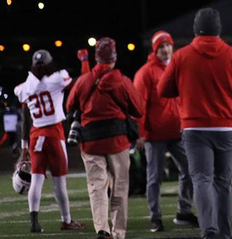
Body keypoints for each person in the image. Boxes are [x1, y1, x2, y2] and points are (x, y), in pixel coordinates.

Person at [159, 8, 232, 239]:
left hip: (194, 127)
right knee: (223, 182)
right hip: (226, 126)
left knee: (202, 179)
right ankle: (223, 233)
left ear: (196, 29)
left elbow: (163, 89)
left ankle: (209, 231)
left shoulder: (181, 56)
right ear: (218, 28)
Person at [66, 38, 142, 239]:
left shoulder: (84, 80)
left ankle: (102, 229)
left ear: (96, 57)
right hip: (117, 141)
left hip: (90, 142)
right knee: (119, 188)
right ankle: (118, 233)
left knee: (97, 187)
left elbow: (69, 105)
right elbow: (139, 109)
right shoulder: (122, 81)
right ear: (114, 58)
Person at [14, 49, 85, 233]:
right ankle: (66, 220)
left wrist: (23, 145)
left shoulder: (25, 87)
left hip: (35, 136)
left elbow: (25, 117)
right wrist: (84, 61)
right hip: (53, 133)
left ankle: (34, 222)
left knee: (36, 180)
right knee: (59, 182)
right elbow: (82, 82)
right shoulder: (56, 79)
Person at [134, 31, 197, 232]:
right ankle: (155, 217)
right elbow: (139, 106)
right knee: (154, 177)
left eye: (168, 45)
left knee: (190, 170)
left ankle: (184, 211)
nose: (165, 49)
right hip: (155, 134)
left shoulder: (177, 68)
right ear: (155, 50)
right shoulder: (146, 72)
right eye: (161, 46)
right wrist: (141, 133)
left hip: (178, 131)